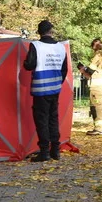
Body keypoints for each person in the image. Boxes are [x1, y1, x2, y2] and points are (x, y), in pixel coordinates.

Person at [22, 20, 68, 162]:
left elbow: (29, 65)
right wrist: (57, 82)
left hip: (41, 88)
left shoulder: (36, 46)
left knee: (42, 119)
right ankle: (55, 150)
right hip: (55, 88)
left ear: (39, 32)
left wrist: (24, 62)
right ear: (51, 31)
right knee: (53, 118)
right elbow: (64, 69)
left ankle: (44, 152)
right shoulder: (61, 47)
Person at [77, 38, 102, 136]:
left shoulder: (99, 54)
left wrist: (83, 69)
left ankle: (99, 129)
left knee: (98, 108)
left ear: (95, 47)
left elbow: (90, 70)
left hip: (98, 87)